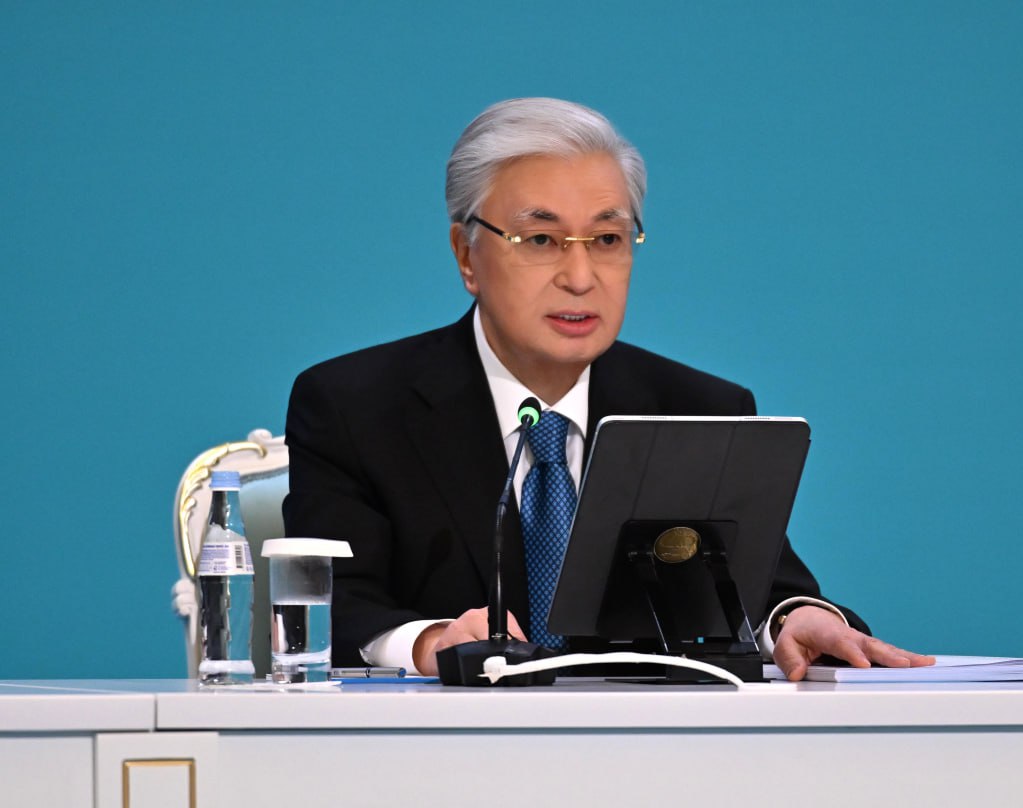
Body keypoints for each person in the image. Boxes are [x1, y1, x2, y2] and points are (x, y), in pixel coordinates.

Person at [283, 97, 933, 679]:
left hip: (652, 751)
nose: (580, 275)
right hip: (442, 753)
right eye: (542, 239)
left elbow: (763, 591)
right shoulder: (355, 406)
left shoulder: (698, 410)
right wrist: (429, 643)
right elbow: (333, 600)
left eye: (607, 239)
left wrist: (796, 619)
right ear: (466, 255)